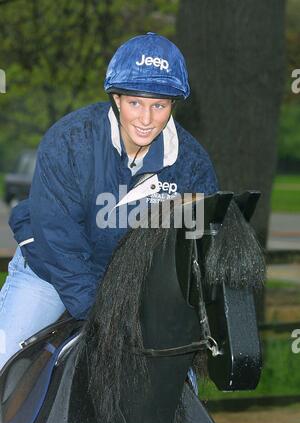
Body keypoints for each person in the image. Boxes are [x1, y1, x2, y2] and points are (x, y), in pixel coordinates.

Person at [0, 32, 219, 379]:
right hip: (50, 272)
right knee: (4, 356)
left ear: (173, 106)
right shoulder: (69, 140)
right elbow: (59, 240)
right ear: (116, 99)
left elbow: (192, 251)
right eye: (135, 103)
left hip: (135, 287)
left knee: (179, 384)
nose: (146, 119)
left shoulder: (192, 165)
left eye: (159, 105)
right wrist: (100, 311)